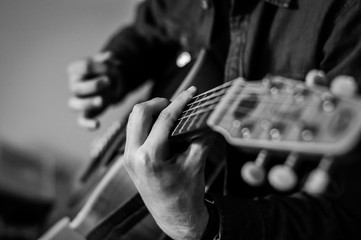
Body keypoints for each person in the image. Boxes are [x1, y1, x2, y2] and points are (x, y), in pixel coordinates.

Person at [67, 0, 361, 239]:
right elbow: (151, 26)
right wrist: (115, 69)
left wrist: (200, 224)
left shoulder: (346, 13)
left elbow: (347, 212)